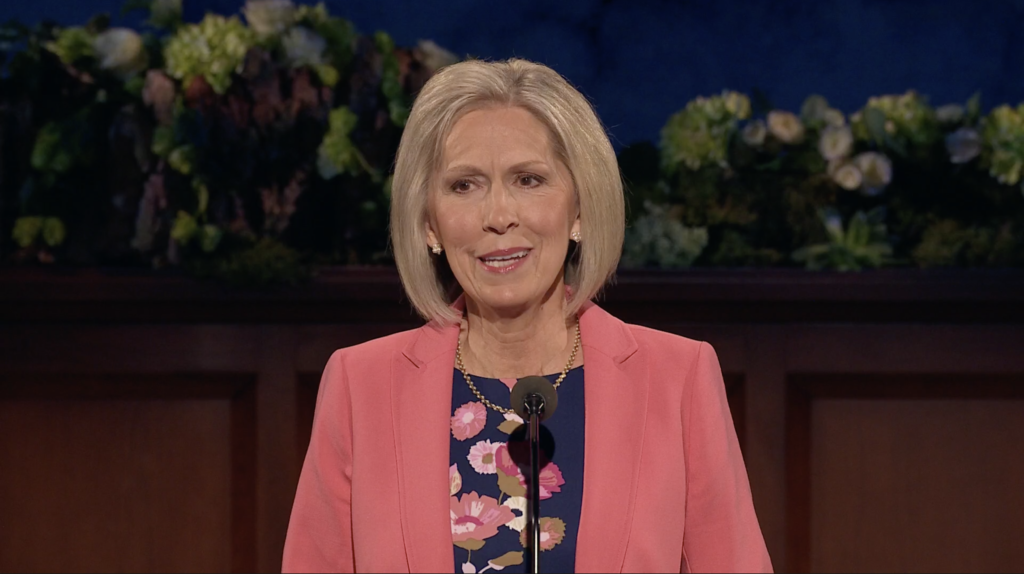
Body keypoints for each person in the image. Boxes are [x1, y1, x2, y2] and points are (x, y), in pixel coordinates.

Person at [282, 58, 772, 573]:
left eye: (529, 180)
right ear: (429, 223)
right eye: (464, 186)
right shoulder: (361, 386)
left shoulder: (679, 378)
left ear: (578, 209)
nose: (498, 217)